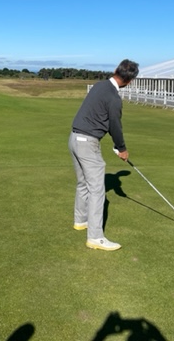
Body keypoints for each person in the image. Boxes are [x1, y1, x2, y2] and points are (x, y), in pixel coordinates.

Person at [68, 59, 139, 251]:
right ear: (130, 81)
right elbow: (115, 125)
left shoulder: (99, 85)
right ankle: (95, 237)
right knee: (97, 190)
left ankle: (80, 220)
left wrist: (116, 145)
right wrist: (121, 148)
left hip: (74, 138)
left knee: (83, 183)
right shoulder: (114, 98)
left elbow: (100, 116)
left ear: (116, 70)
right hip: (87, 143)